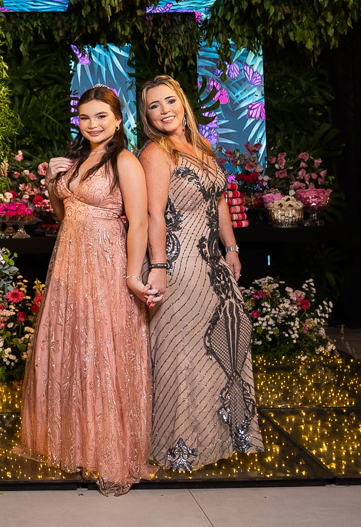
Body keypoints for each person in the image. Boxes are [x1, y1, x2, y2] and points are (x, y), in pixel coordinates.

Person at [18, 85, 155, 495]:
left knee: (102, 352)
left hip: (106, 264)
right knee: (74, 349)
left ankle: (111, 457)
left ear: (118, 119)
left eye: (100, 116)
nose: (92, 124)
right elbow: (64, 213)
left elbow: (140, 223)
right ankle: (80, 447)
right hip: (69, 263)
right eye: (84, 117)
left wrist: (132, 276)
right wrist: (52, 181)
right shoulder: (79, 159)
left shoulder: (125, 160)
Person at [137, 74, 261, 472]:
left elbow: (219, 201)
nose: (164, 111)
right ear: (146, 116)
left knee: (226, 347)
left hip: (213, 266)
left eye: (169, 101)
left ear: (182, 103)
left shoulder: (201, 146)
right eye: (154, 106)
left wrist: (231, 248)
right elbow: (154, 214)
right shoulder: (156, 153)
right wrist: (159, 267)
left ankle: (223, 438)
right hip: (178, 264)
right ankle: (181, 447)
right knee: (183, 355)